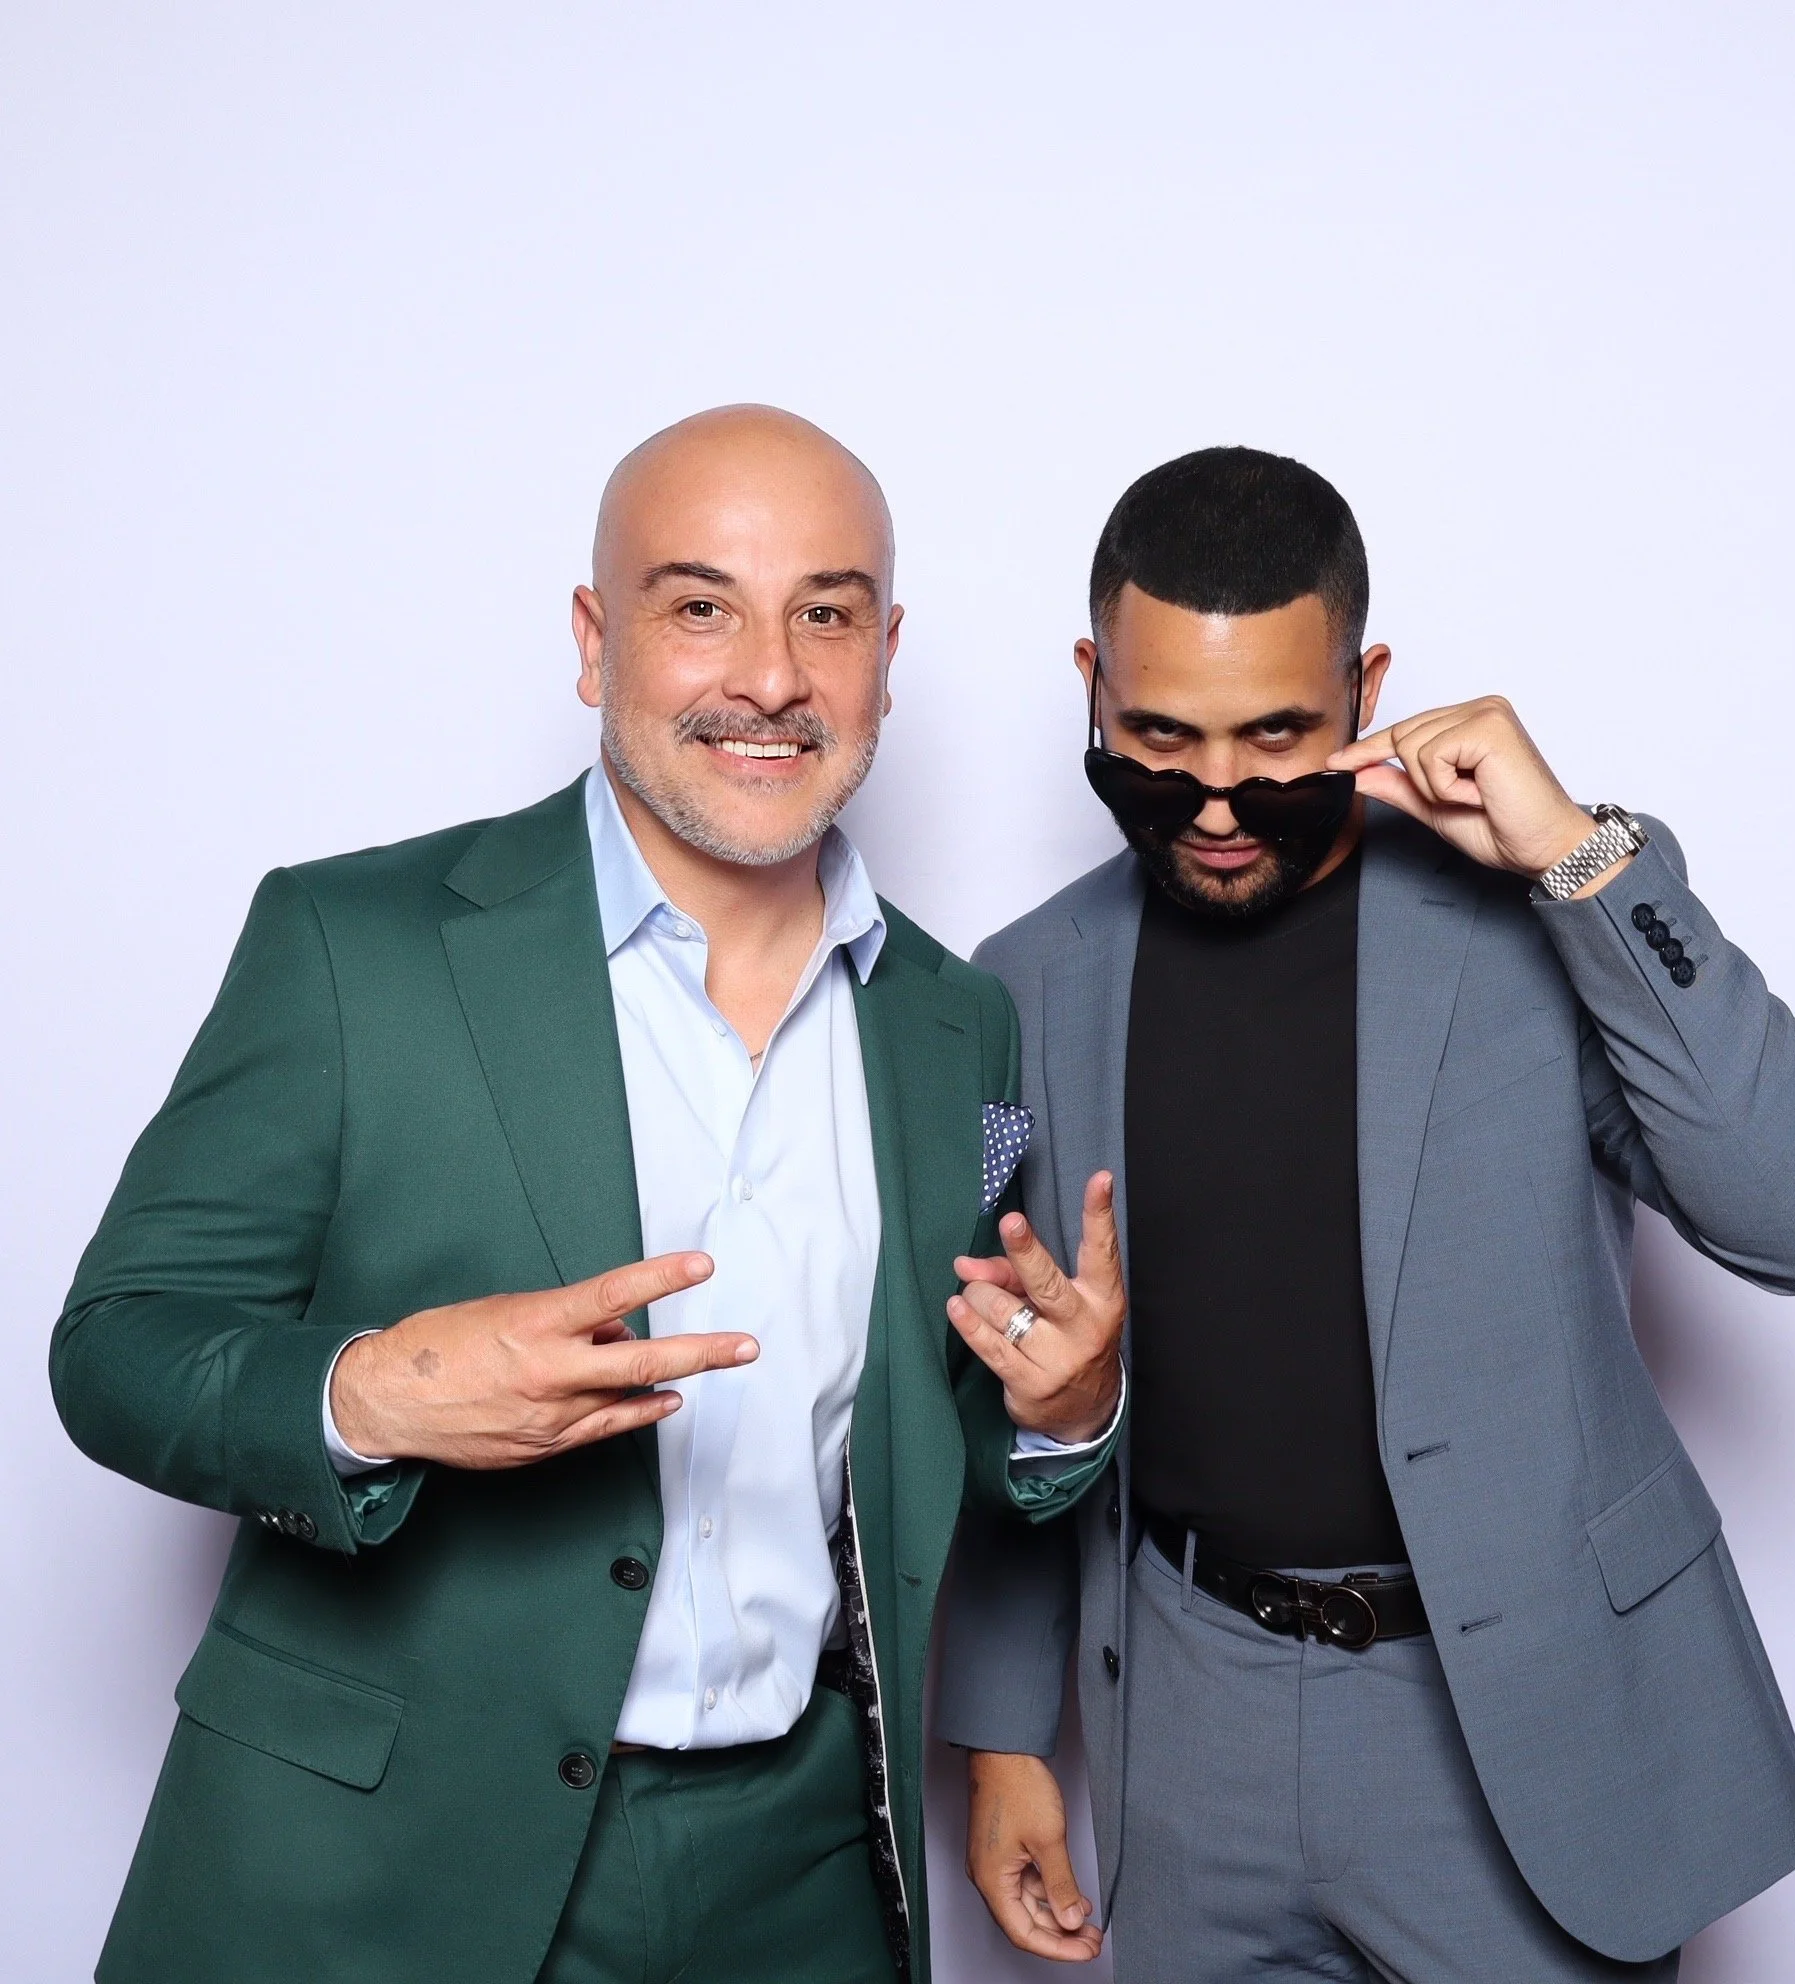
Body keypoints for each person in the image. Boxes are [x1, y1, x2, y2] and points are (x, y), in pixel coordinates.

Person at [50, 405, 1126, 1984]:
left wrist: (1068, 1408)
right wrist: (374, 1390)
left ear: (885, 654)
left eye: (824, 614)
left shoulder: (956, 1023)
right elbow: (118, 1348)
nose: (771, 675)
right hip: (381, 1862)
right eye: (702, 607)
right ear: (591, 638)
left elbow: (923, 1426)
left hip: (805, 1865)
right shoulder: (359, 948)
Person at [937, 446, 1795, 1981]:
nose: (1222, 799)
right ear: (1090, 684)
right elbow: (1004, 1375)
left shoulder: (1547, 915)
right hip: (1189, 1724)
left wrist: (1577, 859)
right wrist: (1001, 1738)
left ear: (1368, 684)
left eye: (1277, 735)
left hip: (1516, 1721)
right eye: (1161, 737)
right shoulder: (1028, 982)